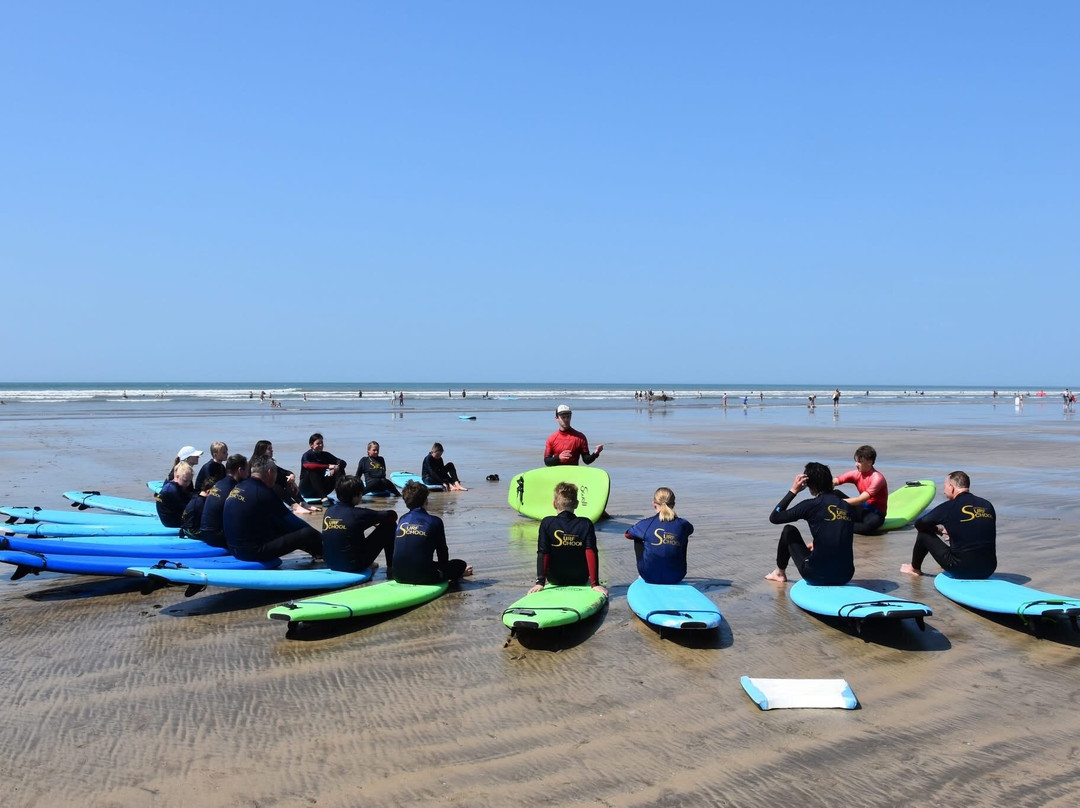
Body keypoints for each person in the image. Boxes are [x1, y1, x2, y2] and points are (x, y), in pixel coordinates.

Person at [765, 462, 855, 585]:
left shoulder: (810, 505)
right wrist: (817, 542)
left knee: (789, 530)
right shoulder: (847, 506)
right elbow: (836, 528)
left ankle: (779, 573)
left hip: (816, 574)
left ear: (808, 484)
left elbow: (774, 517)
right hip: (846, 575)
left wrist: (794, 490)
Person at [222, 454, 322, 562]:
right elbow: (294, 523)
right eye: (276, 473)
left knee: (279, 525)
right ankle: (326, 555)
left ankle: (317, 553)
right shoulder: (264, 492)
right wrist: (321, 537)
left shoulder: (240, 486)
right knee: (308, 533)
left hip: (233, 548)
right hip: (251, 553)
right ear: (269, 472)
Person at [900, 471, 996, 579]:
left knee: (923, 533)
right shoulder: (987, 505)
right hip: (989, 569)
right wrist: (956, 532)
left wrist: (936, 529)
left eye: (944, 486)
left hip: (961, 569)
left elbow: (919, 524)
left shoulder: (949, 507)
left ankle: (914, 568)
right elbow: (979, 529)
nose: (944, 491)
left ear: (951, 487)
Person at [528, 482, 606, 595]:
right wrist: (595, 584)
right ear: (576, 504)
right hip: (580, 579)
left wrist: (540, 582)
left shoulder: (547, 523)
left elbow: (543, 552)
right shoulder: (586, 523)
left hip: (555, 579)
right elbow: (591, 552)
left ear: (554, 504)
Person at [391, 481, 472, 584]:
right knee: (460, 564)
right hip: (424, 577)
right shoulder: (435, 521)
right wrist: (448, 572)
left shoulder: (402, 520)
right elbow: (442, 552)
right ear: (426, 500)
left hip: (397, 575)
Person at [321, 475, 398, 574]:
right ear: (356, 495)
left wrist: (372, 521)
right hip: (353, 566)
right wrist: (376, 521)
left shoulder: (329, 511)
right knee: (389, 525)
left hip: (330, 563)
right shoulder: (359, 514)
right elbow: (392, 515)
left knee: (351, 534)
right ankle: (391, 568)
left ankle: (367, 562)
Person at [624, 487, 694, 585]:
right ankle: (672, 567)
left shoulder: (645, 524)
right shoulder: (683, 524)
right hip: (677, 576)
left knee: (637, 537)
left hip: (648, 575)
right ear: (673, 505)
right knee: (682, 535)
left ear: (654, 504)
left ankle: (643, 572)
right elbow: (690, 530)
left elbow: (627, 534)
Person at [832, 445, 888, 535]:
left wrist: (838, 502)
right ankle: (841, 521)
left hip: (875, 514)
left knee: (869, 526)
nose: (856, 464)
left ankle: (842, 524)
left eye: (859, 462)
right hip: (861, 510)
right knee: (834, 493)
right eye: (856, 461)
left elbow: (860, 500)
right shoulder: (856, 474)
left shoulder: (877, 478)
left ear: (869, 462)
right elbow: (835, 481)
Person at [199, 453, 248, 548]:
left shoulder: (219, 483)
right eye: (246, 470)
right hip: (217, 538)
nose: (247, 473)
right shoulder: (235, 489)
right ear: (240, 470)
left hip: (205, 533)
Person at [252, 439, 314, 514]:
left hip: (267, 488)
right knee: (275, 484)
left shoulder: (269, 461)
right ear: (261, 451)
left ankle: (302, 503)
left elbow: (283, 471)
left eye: (271, 449)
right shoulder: (256, 463)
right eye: (269, 449)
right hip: (257, 490)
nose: (272, 451)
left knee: (287, 480)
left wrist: (291, 476)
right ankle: (294, 506)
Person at [298, 432, 347, 502]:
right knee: (313, 471)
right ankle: (324, 498)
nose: (321, 445)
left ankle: (342, 495)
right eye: (318, 443)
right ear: (311, 445)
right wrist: (328, 466)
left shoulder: (326, 455)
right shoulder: (307, 455)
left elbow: (343, 462)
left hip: (323, 488)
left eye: (322, 443)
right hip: (307, 489)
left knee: (339, 469)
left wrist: (336, 468)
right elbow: (307, 465)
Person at [181, 468, 224, 538]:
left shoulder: (196, 497)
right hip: (192, 531)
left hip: (186, 528)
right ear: (208, 491)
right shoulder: (202, 503)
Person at [155, 461, 195, 528]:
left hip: (173, 515)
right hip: (171, 522)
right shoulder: (172, 490)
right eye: (185, 480)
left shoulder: (177, 486)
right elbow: (186, 508)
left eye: (190, 481)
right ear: (177, 476)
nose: (188, 483)